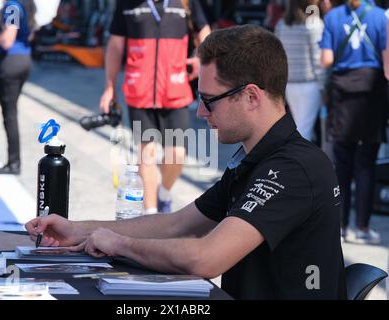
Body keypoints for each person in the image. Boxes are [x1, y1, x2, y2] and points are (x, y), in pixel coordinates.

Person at [26, 25, 347, 300]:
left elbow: (206, 258)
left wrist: (119, 244)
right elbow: (177, 224)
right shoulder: (258, 159)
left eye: (209, 100)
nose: (200, 113)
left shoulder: (292, 168)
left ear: (251, 96)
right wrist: (78, 230)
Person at [99, 0, 211, 214]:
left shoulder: (186, 2)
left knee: (176, 154)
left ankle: (163, 194)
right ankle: (150, 214)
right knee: (146, 154)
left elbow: (203, 30)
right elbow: (115, 45)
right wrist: (109, 87)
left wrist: (201, 57)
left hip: (175, 89)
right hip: (139, 91)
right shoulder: (126, 4)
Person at [320, 0, 388, 244]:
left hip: (342, 92)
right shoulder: (381, 17)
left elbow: (326, 59)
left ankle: (341, 225)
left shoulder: (332, 17)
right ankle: (362, 227)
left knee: (342, 162)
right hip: (372, 93)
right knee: (366, 163)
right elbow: (388, 66)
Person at [0, 0, 36, 175]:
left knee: (10, 115)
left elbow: (7, 41)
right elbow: (31, 35)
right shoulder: (27, 5)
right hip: (23, 59)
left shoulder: (12, 7)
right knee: (11, 114)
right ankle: (13, 162)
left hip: (10, 61)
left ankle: (14, 163)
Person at [275, 0, 325, 142]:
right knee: (305, 130)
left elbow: (279, 54)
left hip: (290, 84)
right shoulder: (314, 24)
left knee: (299, 126)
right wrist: (324, 87)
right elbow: (317, 60)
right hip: (309, 84)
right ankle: (296, 162)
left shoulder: (282, 24)